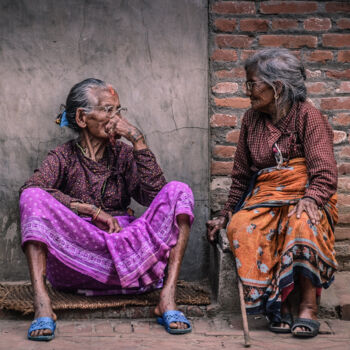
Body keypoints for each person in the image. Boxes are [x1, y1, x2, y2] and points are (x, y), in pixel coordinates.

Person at [20, 78, 194, 341]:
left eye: (118, 111)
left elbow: (156, 195)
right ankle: (43, 305)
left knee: (179, 191)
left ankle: (167, 298)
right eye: (108, 109)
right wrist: (89, 210)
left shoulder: (123, 155)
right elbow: (31, 189)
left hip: (129, 258)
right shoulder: (62, 157)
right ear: (81, 117)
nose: (116, 118)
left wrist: (137, 140)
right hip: (78, 262)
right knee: (32, 196)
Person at [206, 48, 338, 338]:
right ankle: (277, 305)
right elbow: (241, 175)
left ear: (277, 88)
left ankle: (307, 307)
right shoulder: (251, 120)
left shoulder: (308, 116)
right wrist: (227, 214)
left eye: (252, 84)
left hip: (306, 193)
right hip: (266, 196)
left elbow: (325, 171)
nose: (248, 91)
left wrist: (311, 198)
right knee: (242, 226)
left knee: (302, 222)